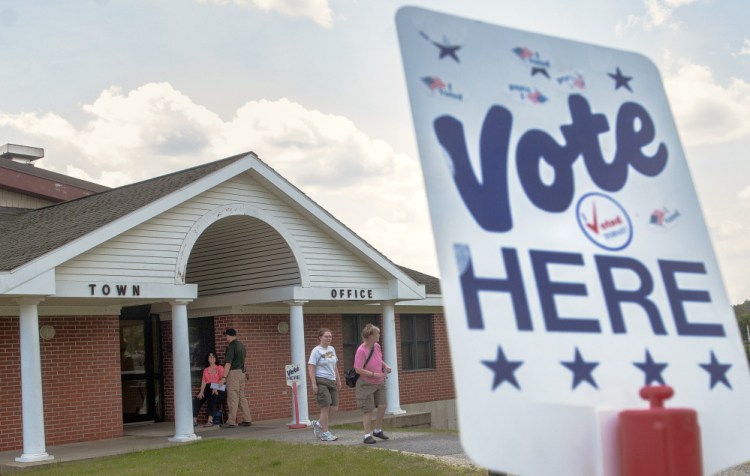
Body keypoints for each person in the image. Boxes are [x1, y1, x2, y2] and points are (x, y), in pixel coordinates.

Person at [354, 323, 392, 444]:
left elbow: (378, 359)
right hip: (366, 384)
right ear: (370, 336)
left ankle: (378, 430)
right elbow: (358, 369)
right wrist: (374, 374)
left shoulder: (376, 346)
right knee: (368, 409)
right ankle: (366, 436)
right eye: (377, 333)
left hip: (380, 382)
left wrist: (385, 366)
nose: (379, 335)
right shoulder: (361, 350)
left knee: (382, 405)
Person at [307, 328, 342, 442]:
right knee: (325, 406)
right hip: (321, 380)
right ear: (320, 337)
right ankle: (325, 433)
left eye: (330, 337)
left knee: (334, 407)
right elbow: (311, 366)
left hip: (332, 381)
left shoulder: (331, 349)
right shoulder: (316, 351)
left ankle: (318, 423)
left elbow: (334, 365)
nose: (328, 339)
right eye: (326, 336)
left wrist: (338, 380)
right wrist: (313, 383)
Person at [219, 328, 252, 428]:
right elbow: (243, 361)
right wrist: (246, 372)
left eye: (226, 336)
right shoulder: (241, 346)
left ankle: (231, 421)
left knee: (232, 398)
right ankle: (247, 419)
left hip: (233, 374)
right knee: (242, 397)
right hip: (241, 373)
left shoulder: (231, 346)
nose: (226, 338)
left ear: (229, 335)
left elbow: (228, 363)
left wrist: (224, 377)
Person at [192, 351, 225, 427]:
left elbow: (223, 380)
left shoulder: (219, 368)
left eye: (213, 357)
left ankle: (210, 421)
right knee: (197, 399)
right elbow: (204, 381)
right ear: (208, 359)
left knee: (212, 397)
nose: (212, 358)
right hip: (208, 388)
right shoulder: (206, 370)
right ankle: (194, 420)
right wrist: (201, 392)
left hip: (219, 388)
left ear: (215, 358)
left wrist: (216, 387)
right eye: (210, 357)